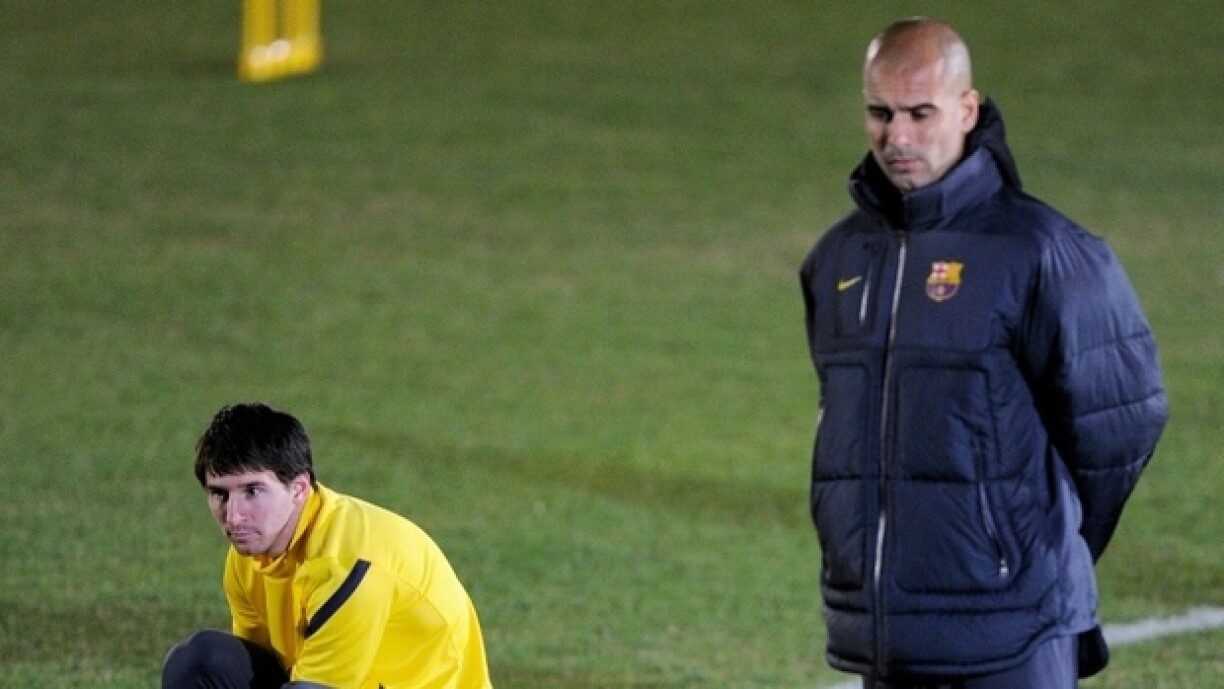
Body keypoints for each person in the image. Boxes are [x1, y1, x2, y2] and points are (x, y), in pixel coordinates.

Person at [798, 17, 1168, 689]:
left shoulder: (1043, 251)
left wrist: (1038, 544)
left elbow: (1121, 423)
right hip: (890, 632)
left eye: (920, 112)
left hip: (1013, 631)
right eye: (880, 112)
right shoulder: (838, 258)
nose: (897, 136)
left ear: (967, 110)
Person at [163, 402, 493, 689]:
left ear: (298, 488)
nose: (234, 516)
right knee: (201, 664)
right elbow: (263, 668)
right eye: (220, 494)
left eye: (252, 491)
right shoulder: (247, 557)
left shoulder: (346, 565)